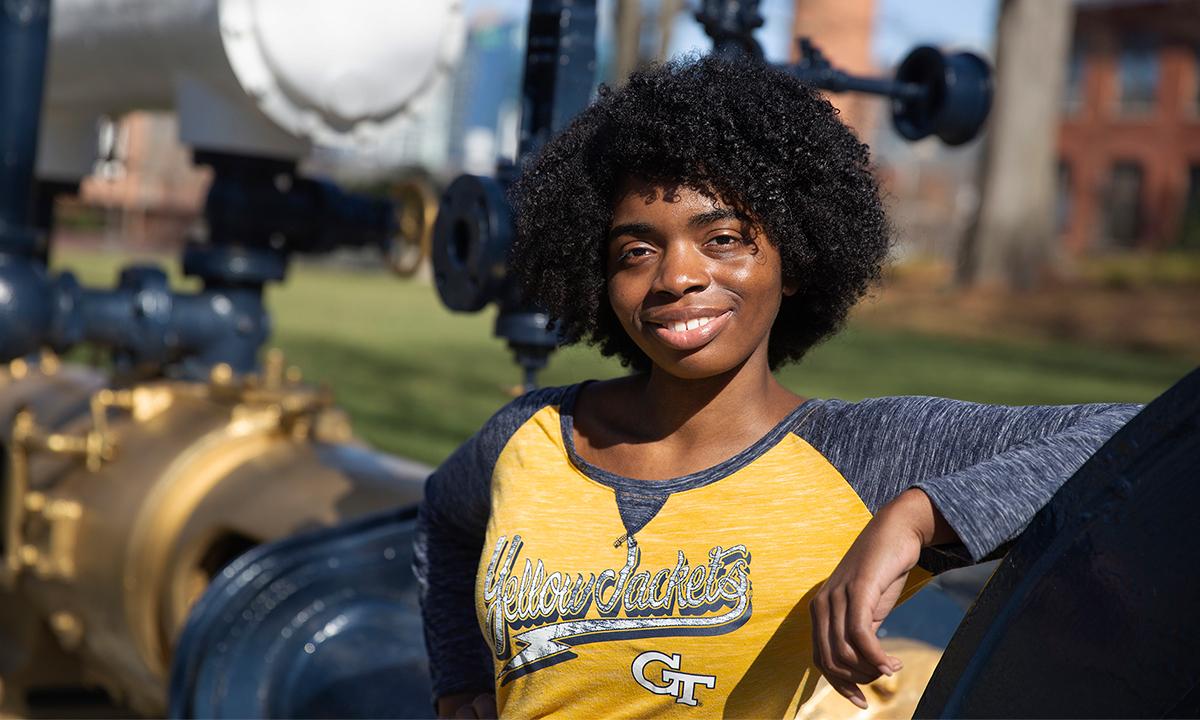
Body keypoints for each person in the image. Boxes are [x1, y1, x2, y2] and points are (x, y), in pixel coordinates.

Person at [414, 56, 1138, 718]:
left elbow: (1140, 435)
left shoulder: (866, 455)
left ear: (793, 262)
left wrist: (920, 516)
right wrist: (461, 681)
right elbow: (444, 518)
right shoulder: (527, 435)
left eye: (722, 238)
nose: (676, 276)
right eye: (637, 250)